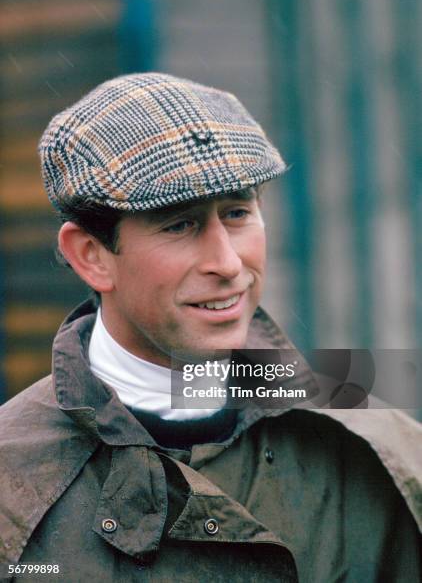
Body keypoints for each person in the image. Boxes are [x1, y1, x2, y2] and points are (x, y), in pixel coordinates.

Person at [0, 73, 421, 582]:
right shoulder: (13, 483)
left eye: (239, 212)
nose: (227, 262)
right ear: (92, 257)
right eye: (180, 225)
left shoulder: (379, 445)